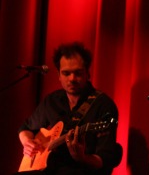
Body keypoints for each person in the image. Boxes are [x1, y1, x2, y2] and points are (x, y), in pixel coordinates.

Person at [16, 42, 122, 175]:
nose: (72, 79)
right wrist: (27, 143)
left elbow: (105, 160)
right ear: (59, 75)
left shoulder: (103, 105)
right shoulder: (52, 101)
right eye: (66, 73)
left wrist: (82, 158)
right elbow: (26, 128)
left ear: (88, 73)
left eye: (78, 73)